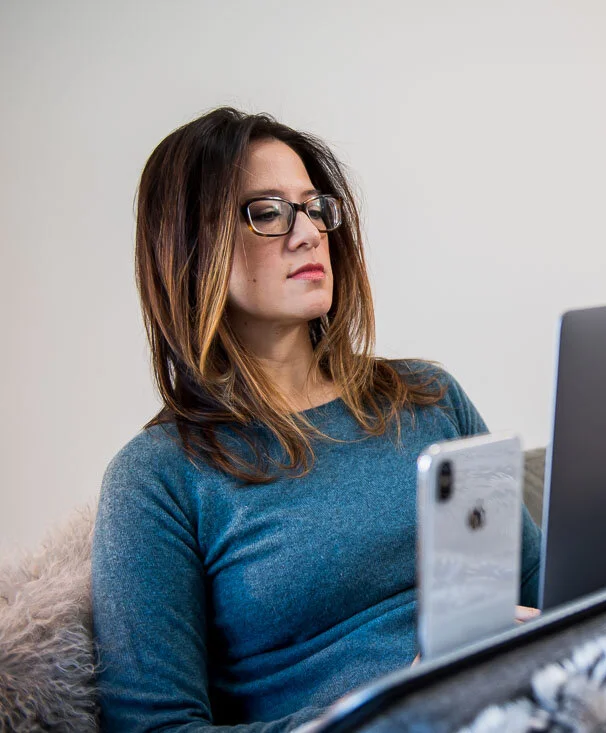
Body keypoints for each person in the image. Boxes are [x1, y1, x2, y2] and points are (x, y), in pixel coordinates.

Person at [91, 107, 542, 731]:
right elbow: (154, 727)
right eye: (267, 212)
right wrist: (397, 701)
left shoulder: (429, 397)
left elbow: (538, 581)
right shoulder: (156, 478)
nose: (307, 233)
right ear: (191, 248)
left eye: (313, 208)